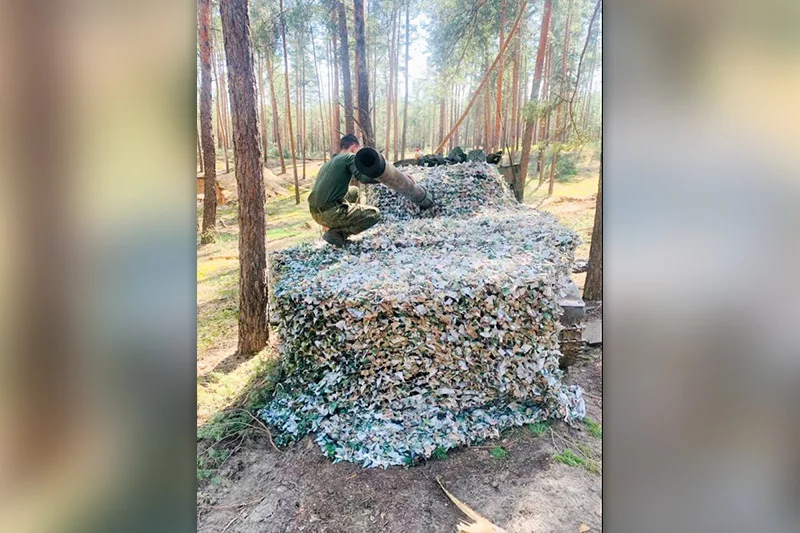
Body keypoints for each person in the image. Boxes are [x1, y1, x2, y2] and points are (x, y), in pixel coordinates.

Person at [307, 134, 381, 247]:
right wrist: (385, 176)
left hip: (314, 212)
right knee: (374, 214)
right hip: (329, 213)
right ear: (353, 147)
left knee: (354, 190)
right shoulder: (350, 157)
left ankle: (342, 218)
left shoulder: (329, 162)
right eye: (358, 150)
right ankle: (338, 234)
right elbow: (364, 178)